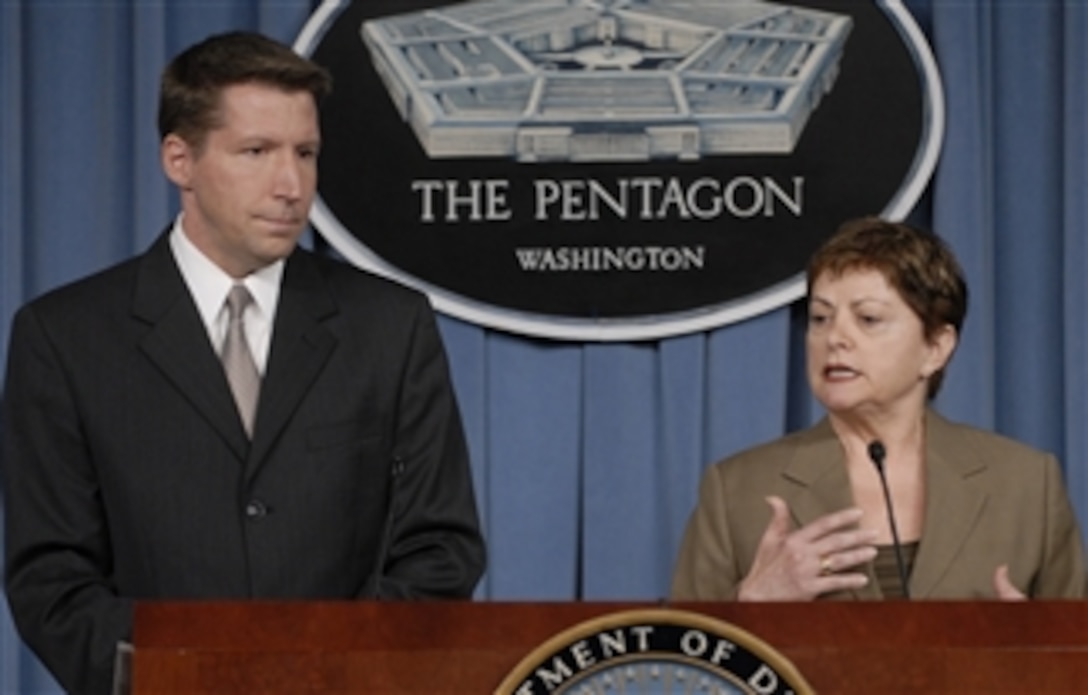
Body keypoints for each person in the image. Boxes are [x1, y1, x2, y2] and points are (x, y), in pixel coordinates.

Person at [2, 31, 486, 694]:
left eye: (306, 152)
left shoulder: (391, 327)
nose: (292, 184)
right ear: (180, 159)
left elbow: (442, 551)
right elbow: (51, 577)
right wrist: (189, 673)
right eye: (256, 151)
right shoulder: (63, 338)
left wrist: (332, 671)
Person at [671, 217, 1086, 601]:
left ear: (936, 348)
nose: (835, 337)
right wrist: (752, 603)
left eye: (868, 318)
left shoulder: (1027, 486)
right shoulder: (738, 490)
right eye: (820, 318)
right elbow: (678, 668)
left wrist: (1041, 648)